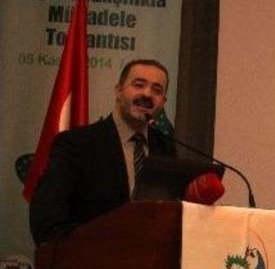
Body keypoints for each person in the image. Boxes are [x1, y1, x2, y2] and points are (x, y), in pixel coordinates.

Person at [29, 59, 176, 244]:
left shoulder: (166, 148)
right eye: (139, 85)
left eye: (157, 90)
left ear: (163, 102)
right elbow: (47, 220)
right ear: (119, 91)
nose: (147, 94)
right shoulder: (76, 144)